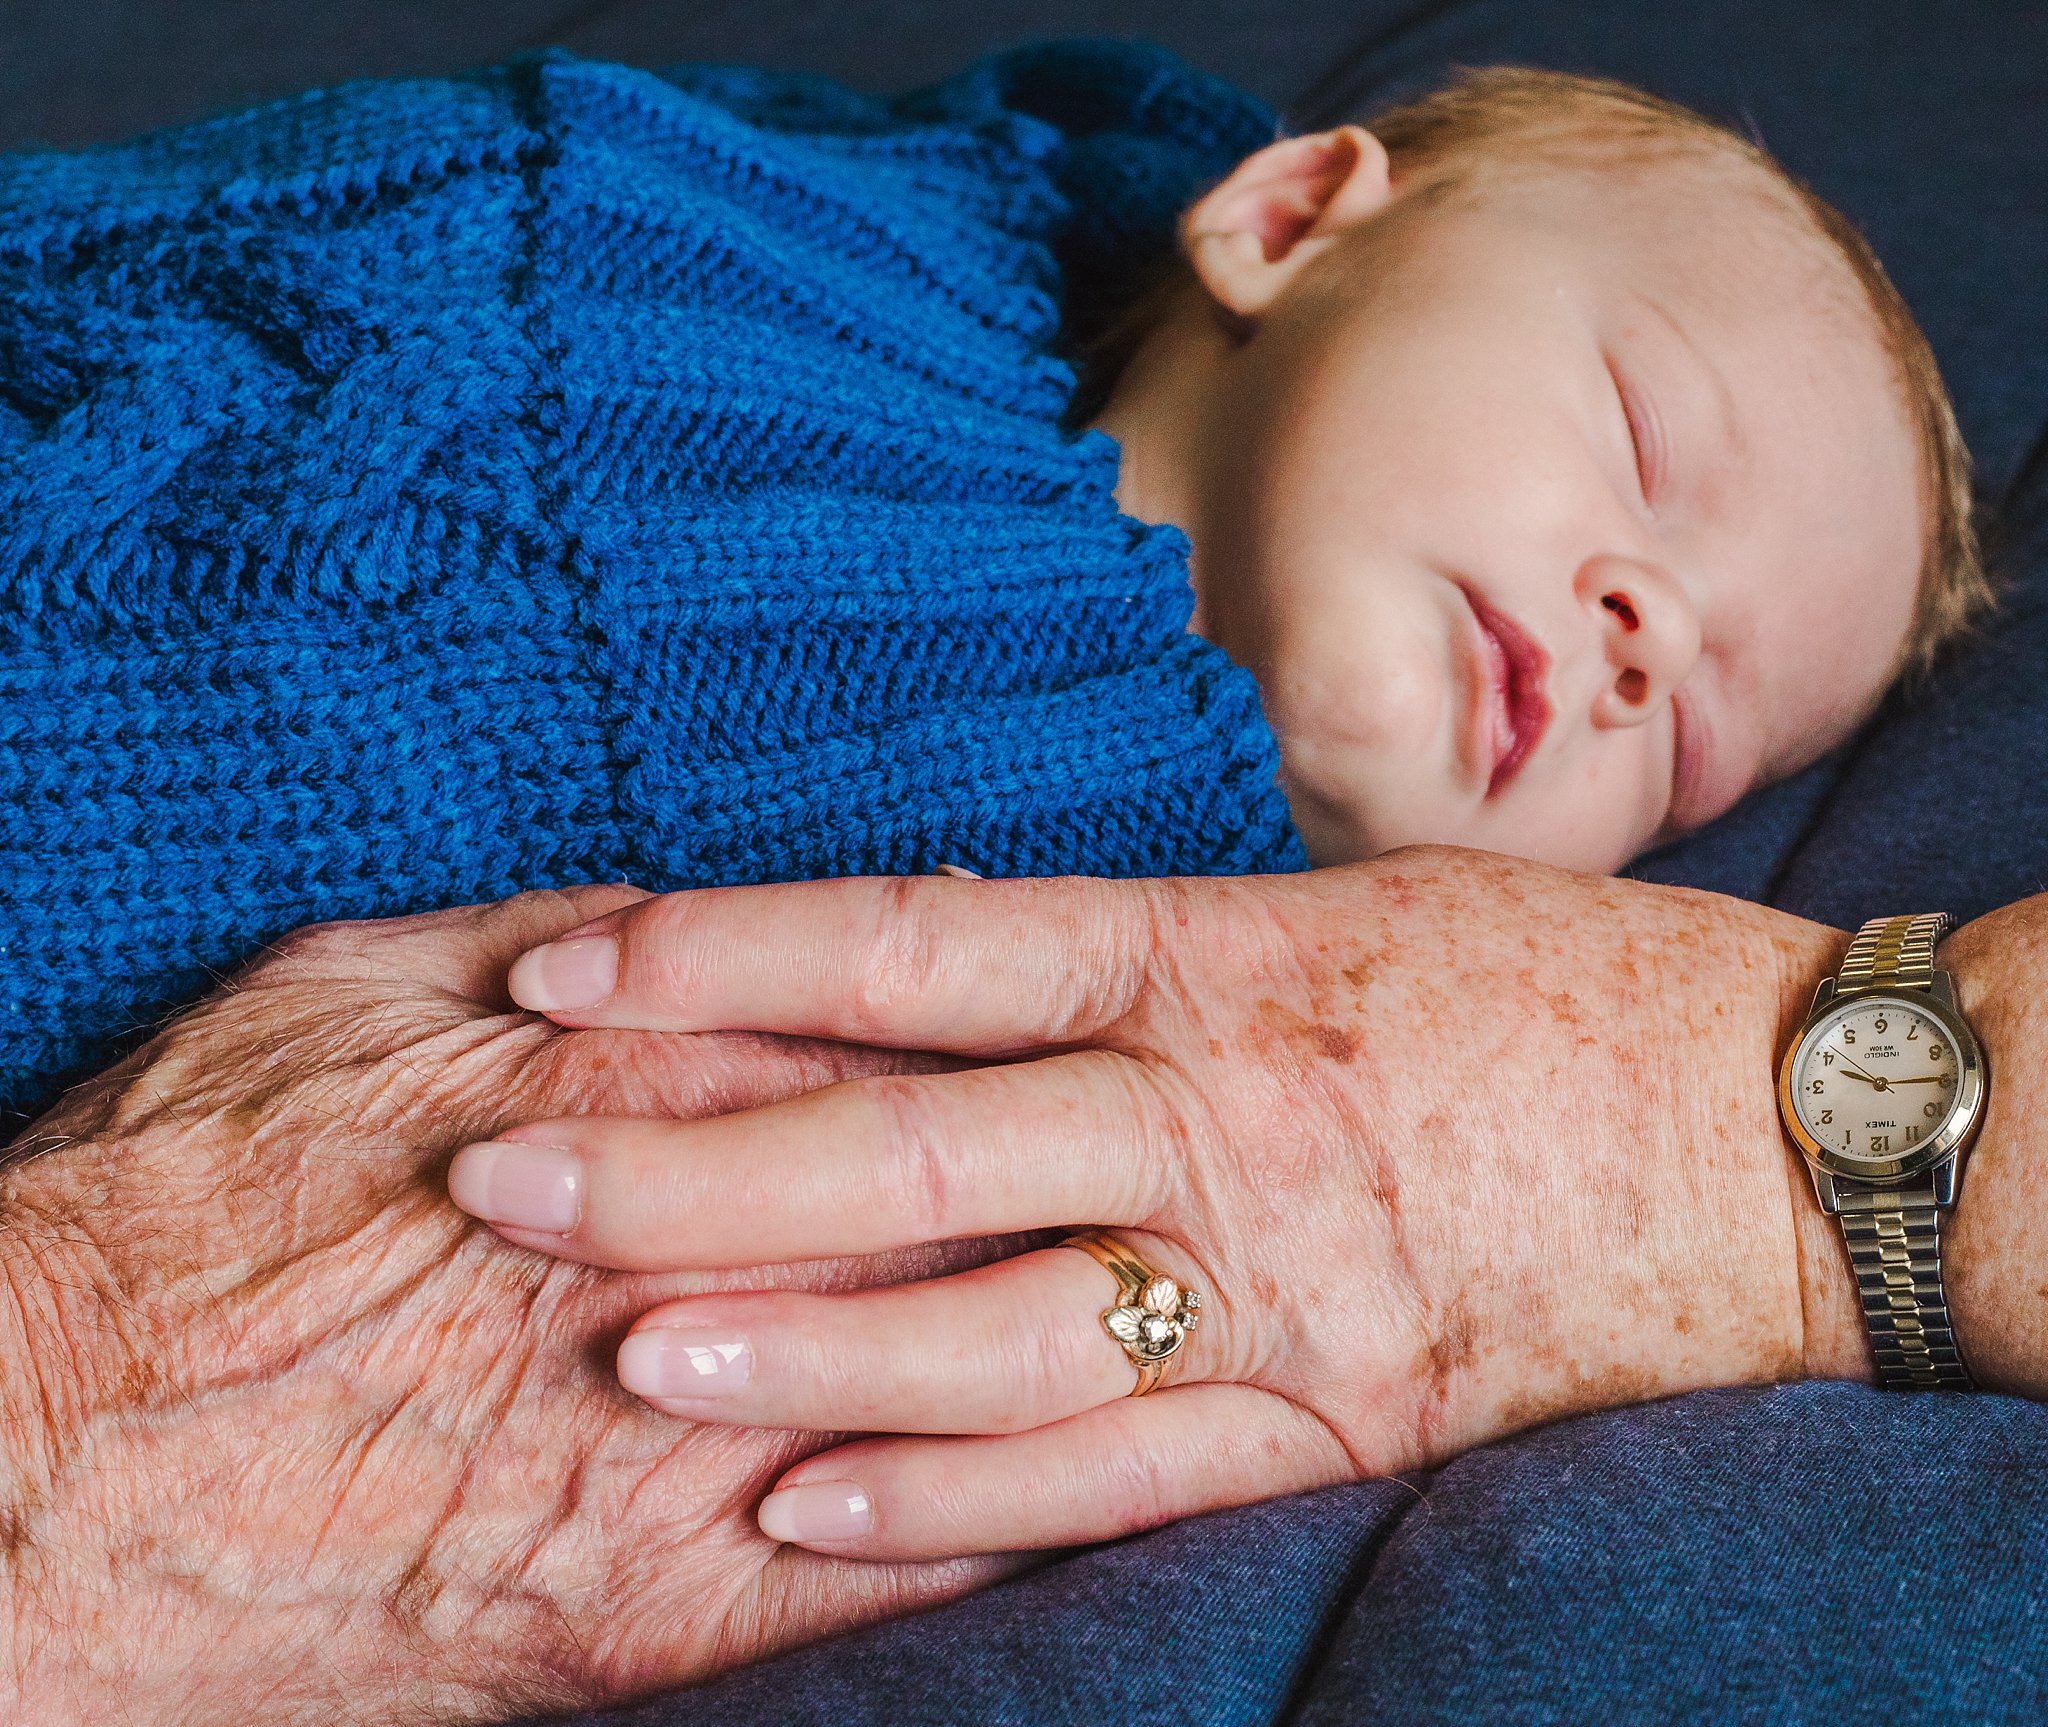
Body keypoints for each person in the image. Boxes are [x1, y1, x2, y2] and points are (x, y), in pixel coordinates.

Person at [0, 46, 1991, 1135]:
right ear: (1287, 219)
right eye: (1645, 444)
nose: (1641, 631)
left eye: (1700, 735)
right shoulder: (685, 225)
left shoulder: (1182, 1078)